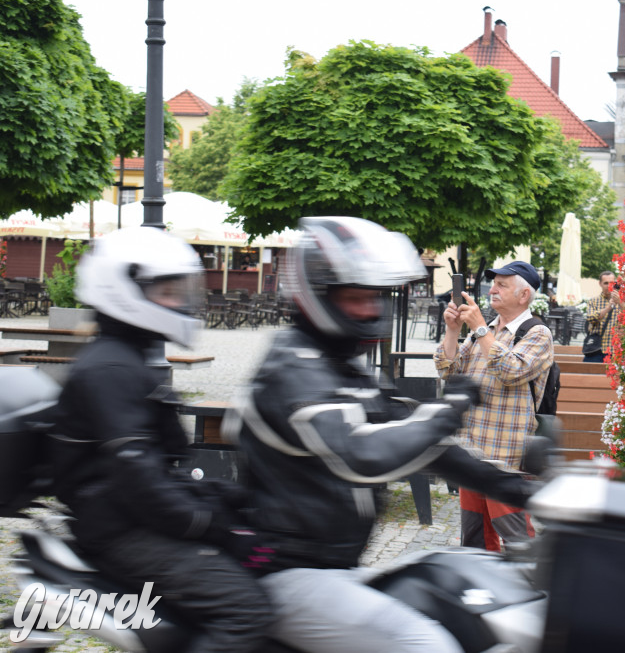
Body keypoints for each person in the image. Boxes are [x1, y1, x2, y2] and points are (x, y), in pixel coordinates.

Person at [229, 217, 537, 653]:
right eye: (355, 298)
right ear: (317, 294)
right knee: (425, 643)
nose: (369, 310)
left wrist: (531, 492)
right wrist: (449, 409)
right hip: (290, 571)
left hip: (336, 567)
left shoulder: (342, 366)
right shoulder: (292, 369)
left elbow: (426, 445)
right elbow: (360, 453)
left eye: (373, 297)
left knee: (467, 590)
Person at [51, 227, 273, 653]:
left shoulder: (129, 358)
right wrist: (218, 528)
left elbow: (158, 465)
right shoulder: (110, 370)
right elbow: (138, 477)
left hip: (131, 513)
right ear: (122, 289)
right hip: (119, 529)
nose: (180, 302)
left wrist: (233, 498)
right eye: (167, 292)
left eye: (180, 290)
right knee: (245, 610)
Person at [434, 260, 553, 552]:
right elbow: (448, 370)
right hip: (472, 452)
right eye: (494, 283)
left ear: (523, 295)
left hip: (505, 457)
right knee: (474, 540)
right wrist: (452, 330)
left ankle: (530, 591)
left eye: (502, 284)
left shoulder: (537, 333)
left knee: (517, 541)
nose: (493, 289)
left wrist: (478, 328)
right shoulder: (485, 330)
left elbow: (510, 371)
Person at [583, 271, 624, 363]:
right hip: (596, 349)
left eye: (612, 283)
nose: (609, 286)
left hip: (616, 350)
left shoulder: (623, 300)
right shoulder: (593, 301)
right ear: (600, 284)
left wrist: (620, 302)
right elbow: (591, 318)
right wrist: (608, 308)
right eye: (606, 283)